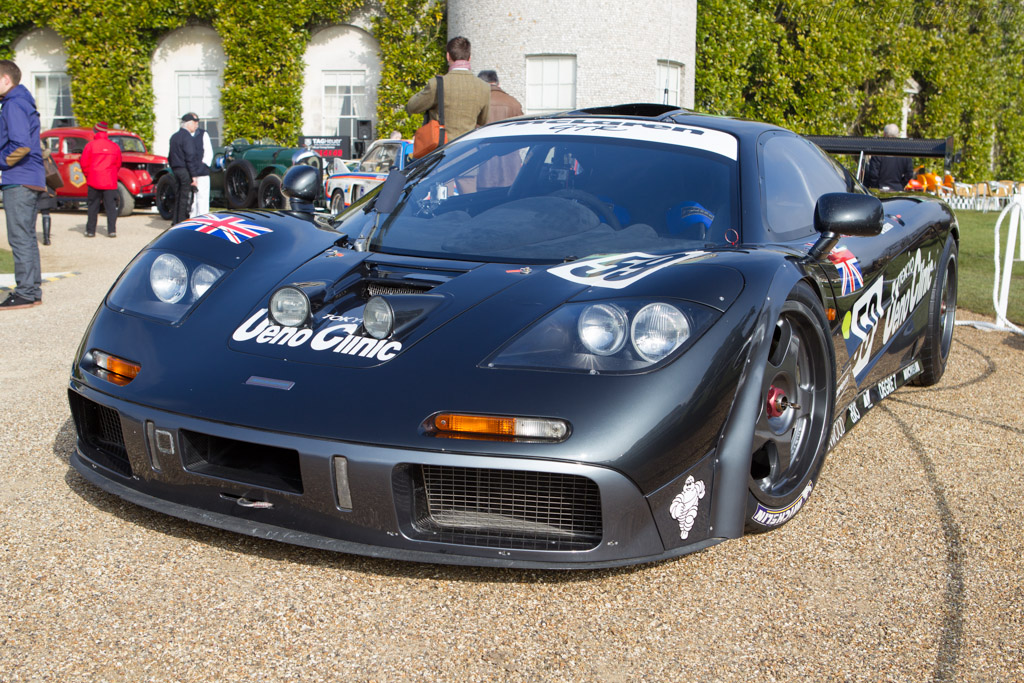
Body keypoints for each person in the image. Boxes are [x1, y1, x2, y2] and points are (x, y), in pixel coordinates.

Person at [0, 59, 45, 310]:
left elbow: (21, 145)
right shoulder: (21, 101)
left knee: (19, 237)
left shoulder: (13, 104)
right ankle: (32, 290)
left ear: (6, 79)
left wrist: (1, 163)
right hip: (30, 177)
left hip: (20, 178)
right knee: (26, 237)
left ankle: (26, 292)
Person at [406, 36, 490, 142]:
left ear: (448, 56)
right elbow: (482, 120)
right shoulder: (484, 87)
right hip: (467, 150)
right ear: (469, 58)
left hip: (440, 151)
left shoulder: (437, 84)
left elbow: (412, 106)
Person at [80, 121, 122, 237]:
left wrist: (88, 175)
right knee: (111, 207)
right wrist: (112, 174)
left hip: (94, 179)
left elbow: (84, 163)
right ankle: (112, 230)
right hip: (109, 180)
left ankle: (90, 230)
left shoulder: (90, 145)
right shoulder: (114, 146)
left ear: (96, 131)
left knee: (93, 206)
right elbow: (118, 164)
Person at [168, 112, 201, 223]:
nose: (196, 126)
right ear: (189, 123)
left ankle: (175, 220)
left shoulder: (174, 137)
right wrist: (194, 176)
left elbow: (170, 156)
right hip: (185, 170)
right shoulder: (187, 138)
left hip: (176, 169)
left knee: (178, 195)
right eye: (195, 123)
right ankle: (181, 221)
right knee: (185, 197)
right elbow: (190, 157)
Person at [865, 124, 914, 191]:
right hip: (897, 191)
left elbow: (873, 174)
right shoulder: (904, 151)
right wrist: (900, 185)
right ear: (898, 135)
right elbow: (909, 173)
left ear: (884, 134)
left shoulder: (878, 150)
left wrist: (875, 187)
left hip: (880, 190)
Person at [190, 120, 213, 217]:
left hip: (202, 172)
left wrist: (202, 166)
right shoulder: (184, 135)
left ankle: (203, 219)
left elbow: (208, 153)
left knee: (203, 198)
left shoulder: (203, 134)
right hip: (190, 172)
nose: (196, 124)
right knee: (192, 199)